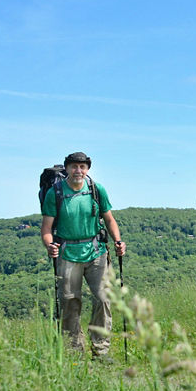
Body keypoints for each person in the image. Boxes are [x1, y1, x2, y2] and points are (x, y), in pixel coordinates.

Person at [41, 152, 127, 359]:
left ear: (87, 169)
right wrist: (49, 245)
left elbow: (109, 219)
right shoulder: (56, 193)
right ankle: (74, 353)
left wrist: (118, 241)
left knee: (103, 299)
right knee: (70, 302)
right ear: (67, 169)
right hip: (67, 253)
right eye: (74, 166)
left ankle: (101, 351)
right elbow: (46, 228)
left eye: (82, 166)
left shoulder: (97, 190)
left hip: (96, 251)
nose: (78, 171)